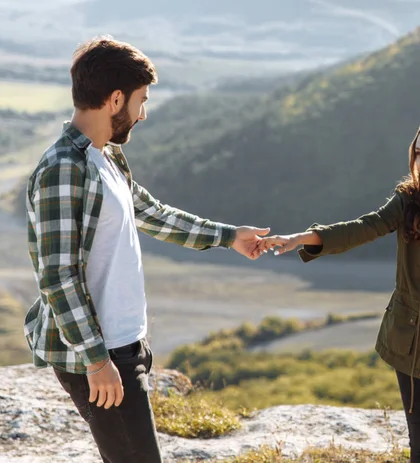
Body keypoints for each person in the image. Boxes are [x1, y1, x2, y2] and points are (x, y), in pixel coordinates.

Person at [24, 36, 269, 463]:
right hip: (99, 353)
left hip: (125, 345)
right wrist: (97, 361)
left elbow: (154, 214)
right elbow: (56, 277)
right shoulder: (64, 169)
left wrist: (230, 236)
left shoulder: (107, 157)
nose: (143, 112)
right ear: (116, 99)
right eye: (141, 100)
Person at [261, 118, 420, 463]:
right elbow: (364, 227)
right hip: (410, 341)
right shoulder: (409, 202)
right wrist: (299, 238)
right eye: (418, 153)